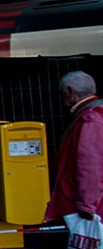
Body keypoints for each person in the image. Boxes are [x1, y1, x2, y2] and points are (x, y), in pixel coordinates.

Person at [45, 70, 103, 224]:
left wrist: (87, 205)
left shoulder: (89, 120)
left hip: (87, 208)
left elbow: (90, 166)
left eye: (62, 92)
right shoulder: (95, 116)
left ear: (70, 92)